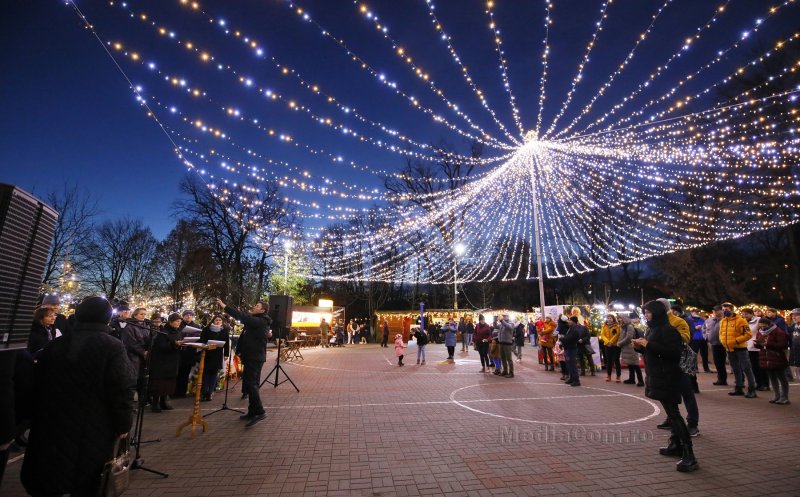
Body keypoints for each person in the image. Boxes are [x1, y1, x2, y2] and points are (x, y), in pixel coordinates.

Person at [20, 296, 137, 496]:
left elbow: (34, 383)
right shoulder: (111, 346)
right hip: (93, 426)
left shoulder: (57, 344)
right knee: (85, 481)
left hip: (52, 424)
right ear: (106, 319)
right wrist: (123, 425)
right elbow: (121, 388)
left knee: (52, 477)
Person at [632, 300, 697, 473]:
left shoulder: (668, 329)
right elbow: (654, 351)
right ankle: (676, 444)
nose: (645, 315)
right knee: (671, 414)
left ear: (657, 312)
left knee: (674, 414)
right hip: (657, 376)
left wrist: (648, 344)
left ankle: (689, 454)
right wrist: (640, 347)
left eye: (648, 312)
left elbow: (674, 353)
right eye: (644, 312)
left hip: (668, 377)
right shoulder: (652, 328)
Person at [217, 298, 271, 427]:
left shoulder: (260, 321)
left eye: (257, 306)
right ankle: (252, 411)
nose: (254, 306)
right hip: (251, 356)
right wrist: (240, 352)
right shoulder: (255, 322)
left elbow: (242, 316)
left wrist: (225, 307)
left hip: (255, 357)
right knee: (250, 384)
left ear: (262, 310)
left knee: (251, 384)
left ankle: (260, 411)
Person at [719, 302, 757, 398]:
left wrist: (736, 341)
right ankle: (739, 387)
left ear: (732, 310)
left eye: (726, 309)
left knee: (746, 368)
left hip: (740, 349)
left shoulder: (741, 321)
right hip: (729, 349)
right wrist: (723, 341)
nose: (724, 311)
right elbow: (721, 333)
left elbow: (748, 334)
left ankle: (752, 389)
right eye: (723, 310)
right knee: (735, 369)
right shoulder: (723, 321)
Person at [149, 313, 183, 412]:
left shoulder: (178, 332)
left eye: (179, 322)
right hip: (162, 362)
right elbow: (160, 346)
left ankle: (164, 402)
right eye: (177, 321)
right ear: (171, 322)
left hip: (172, 361)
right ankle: (155, 404)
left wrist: (180, 345)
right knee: (159, 384)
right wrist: (174, 344)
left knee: (168, 384)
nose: (178, 324)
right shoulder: (163, 332)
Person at [753, 317, 790, 404]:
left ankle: (784, 397)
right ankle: (776, 395)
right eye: (760, 326)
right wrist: (758, 344)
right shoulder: (760, 332)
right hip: (766, 358)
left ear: (768, 324)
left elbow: (783, 345)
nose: (762, 328)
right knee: (772, 377)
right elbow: (759, 344)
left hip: (777, 357)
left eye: (763, 326)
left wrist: (768, 344)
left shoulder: (778, 332)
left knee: (782, 377)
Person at [199, 314, 230, 402]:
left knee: (213, 374)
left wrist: (226, 354)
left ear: (222, 322)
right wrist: (206, 344)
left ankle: (210, 392)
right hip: (207, 353)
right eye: (216, 320)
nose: (218, 322)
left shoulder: (224, 331)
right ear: (213, 321)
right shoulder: (206, 329)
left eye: (219, 320)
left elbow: (226, 343)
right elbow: (202, 340)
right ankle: (204, 392)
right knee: (205, 373)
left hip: (217, 354)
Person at [741, 308, 769, 391]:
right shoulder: (743, 322)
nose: (744, 316)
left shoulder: (759, 320)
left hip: (758, 347)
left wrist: (761, 340)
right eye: (743, 314)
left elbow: (765, 330)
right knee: (753, 367)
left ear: (751, 314)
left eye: (746, 314)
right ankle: (758, 383)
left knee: (761, 367)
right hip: (748, 347)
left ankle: (765, 384)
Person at [175, 310, 201, 398]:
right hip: (179, 351)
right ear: (183, 316)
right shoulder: (179, 324)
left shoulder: (196, 326)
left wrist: (194, 338)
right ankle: (175, 392)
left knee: (186, 373)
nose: (189, 316)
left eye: (190, 315)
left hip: (190, 352)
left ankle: (182, 392)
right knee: (177, 373)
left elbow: (199, 337)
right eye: (187, 315)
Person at [618, 314, 644, 386]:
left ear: (625, 319)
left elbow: (629, 337)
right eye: (619, 319)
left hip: (631, 347)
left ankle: (641, 380)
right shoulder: (623, 327)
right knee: (630, 364)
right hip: (626, 347)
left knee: (635, 364)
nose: (619, 320)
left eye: (621, 318)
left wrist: (620, 343)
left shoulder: (629, 326)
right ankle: (631, 379)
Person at [704, 305, 726, 385]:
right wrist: (706, 337)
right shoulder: (709, 320)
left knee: (725, 362)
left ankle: (726, 379)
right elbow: (704, 329)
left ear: (721, 311)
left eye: (717, 311)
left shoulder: (725, 320)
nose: (715, 312)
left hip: (724, 343)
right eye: (714, 311)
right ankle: (721, 378)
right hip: (714, 344)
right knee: (717, 362)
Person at [560, 317, 581, 386]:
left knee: (572, 365)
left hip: (571, 349)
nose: (568, 321)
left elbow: (570, 338)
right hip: (568, 348)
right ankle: (572, 378)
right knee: (569, 365)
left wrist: (562, 339)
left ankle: (576, 380)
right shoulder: (571, 328)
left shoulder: (575, 329)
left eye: (569, 320)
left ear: (573, 321)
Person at [688, 309, 711, 373]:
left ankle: (706, 368)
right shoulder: (688, 319)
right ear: (692, 312)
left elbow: (706, 328)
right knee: (694, 354)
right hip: (694, 339)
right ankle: (695, 368)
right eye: (695, 312)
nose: (697, 313)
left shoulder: (702, 320)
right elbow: (687, 328)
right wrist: (694, 328)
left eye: (698, 312)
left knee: (705, 354)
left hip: (703, 339)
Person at [601, 315, 622, 382]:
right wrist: (607, 342)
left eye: (610, 318)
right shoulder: (604, 326)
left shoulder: (617, 326)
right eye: (608, 318)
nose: (609, 319)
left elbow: (617, 334)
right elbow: (602, 335)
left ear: (613, 319)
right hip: (607, 346)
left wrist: (611, 342)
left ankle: (618, 376)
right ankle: (608, 375)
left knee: (616, 360)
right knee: (608, 361)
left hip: (615, 346)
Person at [789, 308, 800, 381]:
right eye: (792, 315)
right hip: (796, 352)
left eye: (796, 315)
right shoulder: (793, 327)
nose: (794, 317)